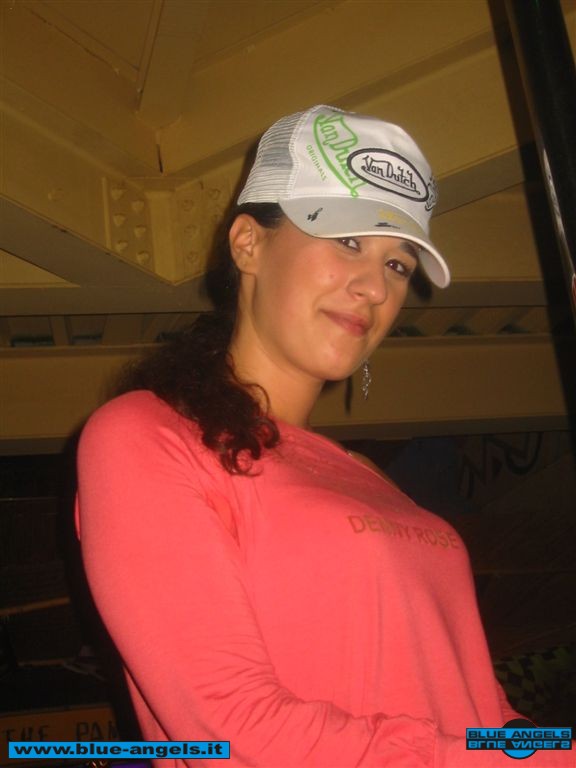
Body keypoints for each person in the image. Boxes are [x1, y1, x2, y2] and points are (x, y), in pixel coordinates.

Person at [76, 106, 570, 767]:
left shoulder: (370, 479)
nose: (375, 288)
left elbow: (475, 710)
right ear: (248, 243)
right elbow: (233, 727)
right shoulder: (146, 434)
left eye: (399, 265)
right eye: (348, 242)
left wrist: (550, 747)